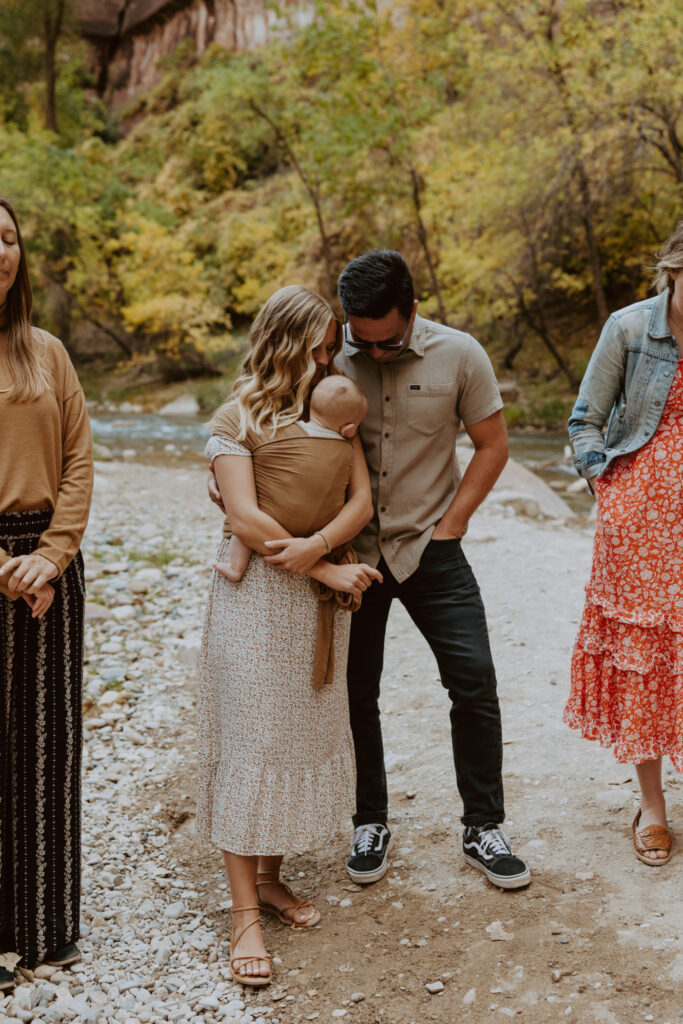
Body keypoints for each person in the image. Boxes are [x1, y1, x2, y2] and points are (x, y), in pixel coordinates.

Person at [198, 285, 381, 987]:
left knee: (296, 735)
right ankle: (243, 913)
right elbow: (243, 517)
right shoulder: (236, 415)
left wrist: (327, 552)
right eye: (319, 346)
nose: (329, 357)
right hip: (255, 599)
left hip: (312, 596)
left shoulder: (333, 412)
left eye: (331, 347)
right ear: (285, 342)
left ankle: (270, 880)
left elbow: (360, 497)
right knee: (252, 742)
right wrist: (329, 568)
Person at [334, 250, 531, 890]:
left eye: (388, 342)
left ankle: (483, 826)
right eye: (363, 343)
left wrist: (454, 524)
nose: (376, 354)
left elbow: (493, 445)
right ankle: (370, 820)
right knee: (355, 690)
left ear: (413, 311)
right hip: (352, 553)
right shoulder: (327, 353)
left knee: (473, 679)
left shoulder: (461, 353)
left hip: (431, 545)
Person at [565, 223, 683, 866]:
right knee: (646, 655)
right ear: (673, 270)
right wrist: (607, 486)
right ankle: (653, 806)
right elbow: (585, 419)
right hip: (641, 519)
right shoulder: (630, 328)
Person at [0, 199, 93, 991]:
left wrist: (53, 556)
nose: (0, 251)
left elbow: (80, 463)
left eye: (7, 238)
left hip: (48, 566)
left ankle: (47, 923)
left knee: (48, 739)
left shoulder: (47, 353)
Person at [214, 374, 368, 582]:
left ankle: (235, 567)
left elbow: (243, 519)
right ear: (350, 428)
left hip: (268, 528)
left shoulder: (284, 432)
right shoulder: (347, 445)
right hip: (316, 535)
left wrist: (216, 470)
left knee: (242, 530)